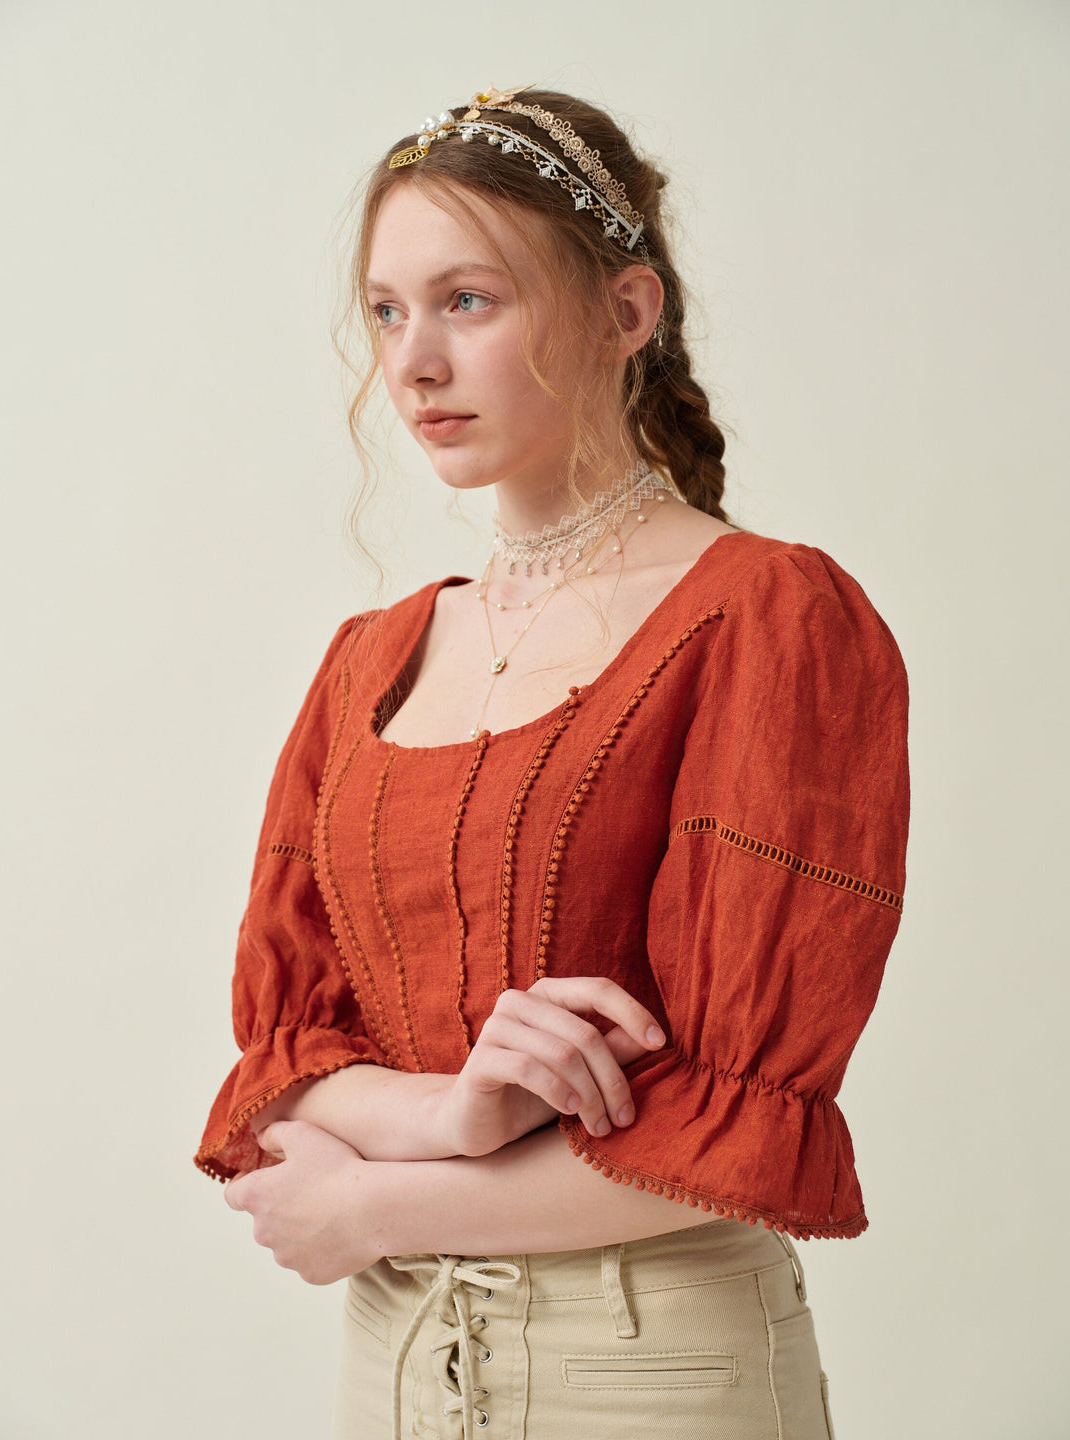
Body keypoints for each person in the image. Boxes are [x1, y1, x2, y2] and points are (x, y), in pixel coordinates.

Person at [195, 85, 910, 1440]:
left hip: (650, 1363)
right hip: (394, 1358)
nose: (414, 361)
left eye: (468, 300)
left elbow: (742, 1126)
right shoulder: (367, 661)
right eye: (387, 311)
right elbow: (286, 1065)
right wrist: (456, 1117)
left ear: (626, 312)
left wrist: (375, 1200)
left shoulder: (770, 618)